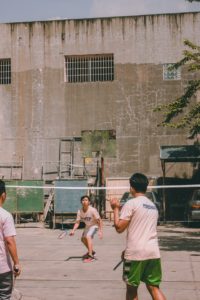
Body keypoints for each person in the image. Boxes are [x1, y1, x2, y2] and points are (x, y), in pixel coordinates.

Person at [110, 173, 166, 300]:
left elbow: (119, 228)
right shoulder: (153, 206)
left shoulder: (131, 203)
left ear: (132, 188)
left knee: (131, 289)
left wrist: (115, 209)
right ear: (146, 187)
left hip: (135, 254)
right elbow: (144, 230)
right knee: (154, 287)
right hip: (153, 252)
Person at [0, 180, 21, 299]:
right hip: (2, 268)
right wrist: (16, 263)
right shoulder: (5, 215)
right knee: (4, 296)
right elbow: (9, 241)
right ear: (3, 195)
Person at [70, 195, 103, 263]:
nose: (84, 201)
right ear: (81, 202)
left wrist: (100, 231)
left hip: (94, 225)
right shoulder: (80, 211)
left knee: (88, 237)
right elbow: (77, 222)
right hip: (87, 226)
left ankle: (91, 256)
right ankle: (92, 252)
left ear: (89, 202)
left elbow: (99, 220)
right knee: (83, 239)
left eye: (86, 200)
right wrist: (73, 230)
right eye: (83, 200)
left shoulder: (93, 210)